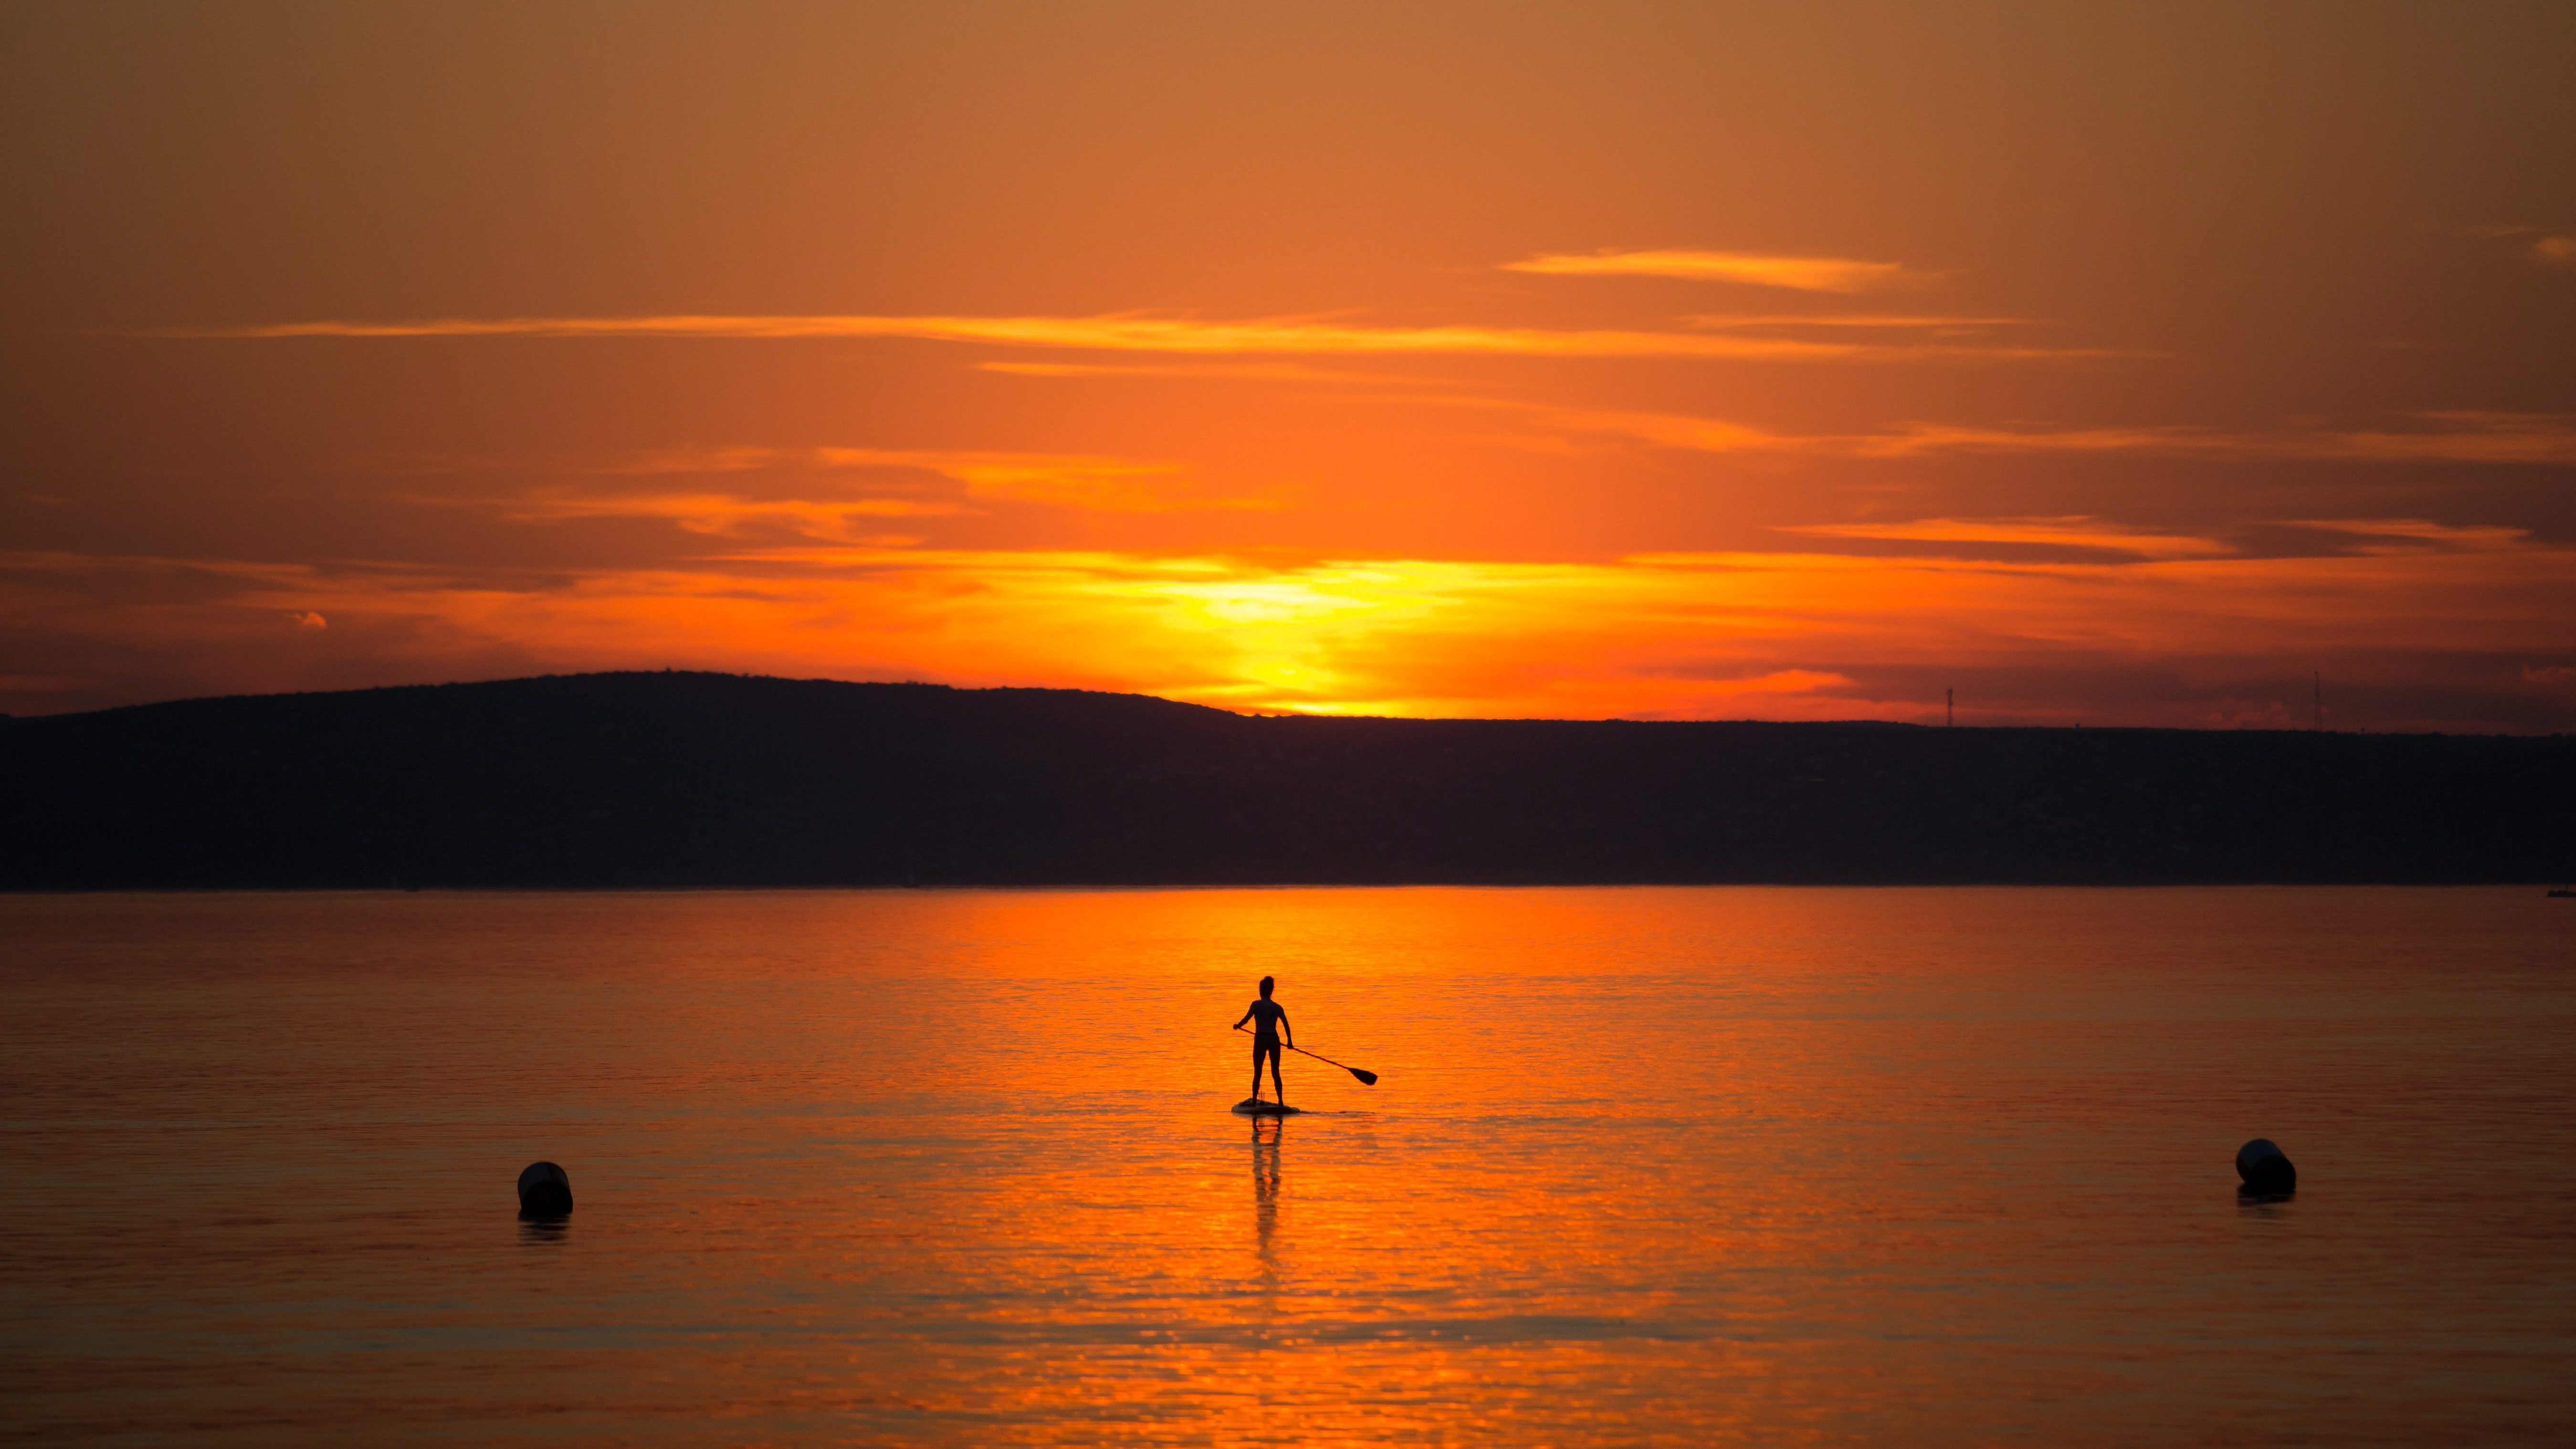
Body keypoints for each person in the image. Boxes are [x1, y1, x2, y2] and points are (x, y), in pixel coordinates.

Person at [1233, 976, 1291, 1104]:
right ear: (1271, 991)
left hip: (1261, 1039)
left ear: (1261, 991)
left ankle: (1254, 1100)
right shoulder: (1277, 1007)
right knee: (1275, 1071)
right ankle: (1280, 1101)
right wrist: (1290, 1042)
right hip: (1273, 1039)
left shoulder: (1256, 1005)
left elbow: (1246, 1019)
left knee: (1258, 1071)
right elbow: (1286, 1024)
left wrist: (1238, 1026)